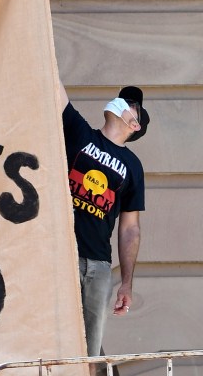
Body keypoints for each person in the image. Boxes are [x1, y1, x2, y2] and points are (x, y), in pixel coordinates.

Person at [60, 80, 148, 364]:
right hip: (61, 254)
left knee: (89, 350)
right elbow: (53, 86)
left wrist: (126, 282)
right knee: (57, 338)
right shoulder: (80, 132)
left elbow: (130, 228)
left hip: (98, 265)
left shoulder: (132, 166)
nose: (121, 102)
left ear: (135, 125)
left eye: (131, 105)